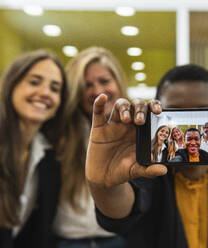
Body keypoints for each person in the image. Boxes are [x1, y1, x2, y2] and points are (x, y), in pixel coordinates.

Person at [86, 64, 208, 248]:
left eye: (201, 111)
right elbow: (121, 215)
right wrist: (105, 188)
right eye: (176, 112)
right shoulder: (146, 170)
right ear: (157, 110)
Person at [53, 47, 126, 247]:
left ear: (118, 82)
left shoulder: (133, 132)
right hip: (68, 241)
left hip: (119, 240)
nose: (97, 91)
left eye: (104, 81)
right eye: (86, 85)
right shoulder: (59, 135)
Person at [0, 50, 67, 247]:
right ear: (12, 84)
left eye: (55, 88)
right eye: (34, 82)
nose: (45, 93)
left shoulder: (49, 157)